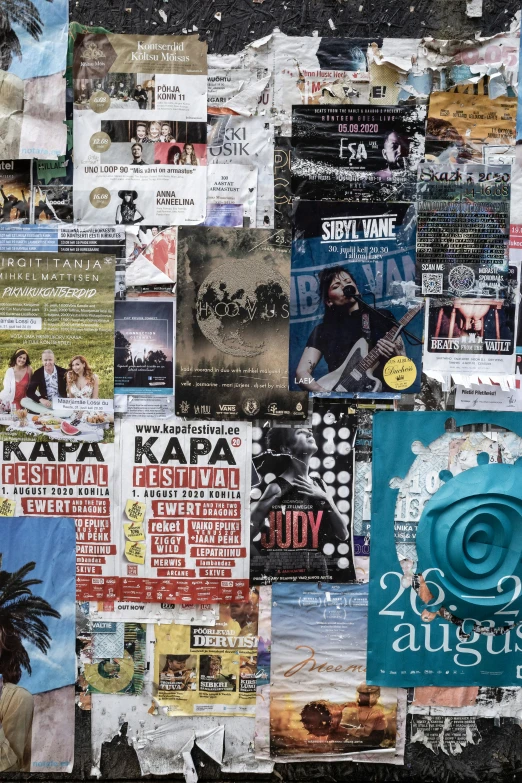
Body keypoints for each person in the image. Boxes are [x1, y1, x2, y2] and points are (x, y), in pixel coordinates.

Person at [251, 426, 353, 579]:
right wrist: (266, 565)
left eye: (308, 430)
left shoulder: (320, 484)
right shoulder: (276, 487)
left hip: (318, 574)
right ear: (287, 448)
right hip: (285, 576)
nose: (309, 432)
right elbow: (245, 536)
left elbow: (343, 534)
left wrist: (325, 498)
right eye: (300, 432)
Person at [294, 266, 405, 393]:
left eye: (348, 282)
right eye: (336, 286)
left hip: (379, 394)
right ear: (329, 301)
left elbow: (403, 372)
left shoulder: (382, 316)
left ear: (356, 287)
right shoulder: (322, 330)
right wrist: (323, 393)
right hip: (339, 396)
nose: (345, 287)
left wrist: (395, 356)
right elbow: (301, 373)